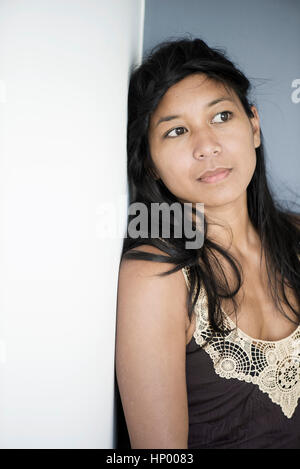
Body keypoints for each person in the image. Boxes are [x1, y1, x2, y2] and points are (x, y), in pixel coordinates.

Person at [115, 37, 300, 449]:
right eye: (177, 131)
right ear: (151, 163)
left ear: (253, 125)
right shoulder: (156, 277)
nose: (207, 146)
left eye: (221, 116)